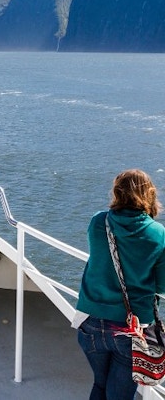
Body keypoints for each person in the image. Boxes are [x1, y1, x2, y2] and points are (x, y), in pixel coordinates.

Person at [74, 169, 165, 400]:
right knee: (120, 395)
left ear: (117, 193)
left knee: (100, 385)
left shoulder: (98, 222)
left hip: (91, 323)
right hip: (131, 328)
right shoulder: (158, 233)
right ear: (150, 195)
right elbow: (162, 285)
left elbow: (101, 258)